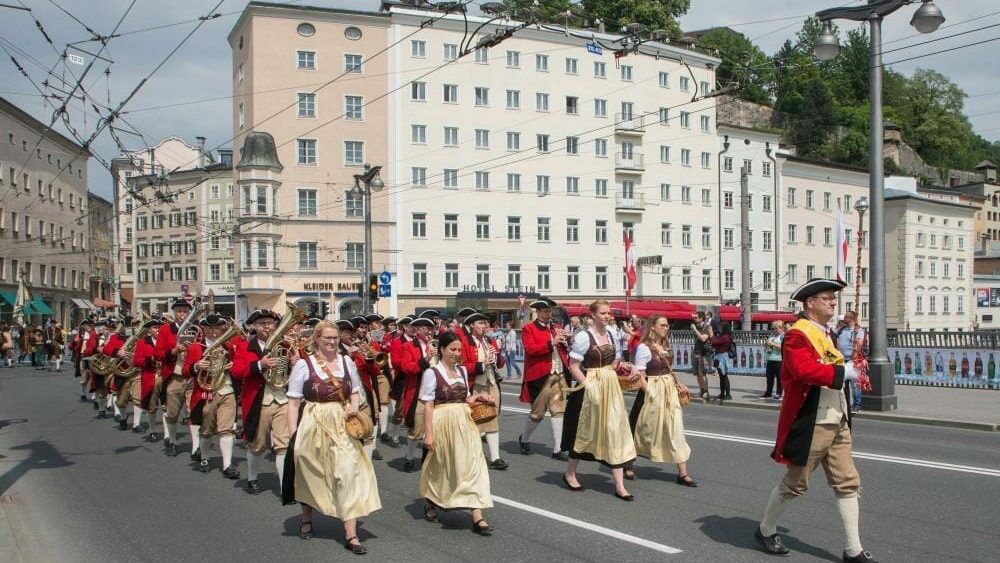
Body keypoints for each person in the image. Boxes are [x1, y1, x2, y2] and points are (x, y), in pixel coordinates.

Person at [755, 278, 875, 563]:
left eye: (833, 298)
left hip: (837, 417)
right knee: (795, 483)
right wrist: (841, 373)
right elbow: (802, 370)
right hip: (814, 419)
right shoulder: (798, 334)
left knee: (847, 482)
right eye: (826, 298)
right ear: (810, 303)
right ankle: (766, 529)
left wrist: (849, 367)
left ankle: (853, 549)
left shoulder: (827, 333)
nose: (833, 302)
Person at [284, 321, 381, 554]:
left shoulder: (347, 361)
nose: (331, 341)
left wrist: (354, 407)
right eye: (327, 337)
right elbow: (293, 401)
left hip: (342, 421)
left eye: (335, 337)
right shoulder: (304, 365)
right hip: (314, 420)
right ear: (316, 339)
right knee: (311, 471)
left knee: (348, 472)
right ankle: (307, 517)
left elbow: (355, 391)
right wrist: (293, 435)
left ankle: (351, 533)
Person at [419, 330, 494, 536]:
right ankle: (432, 501)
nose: (456, 353)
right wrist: (429, 434)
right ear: (442, 349)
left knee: (473, 464)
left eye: (459, 349)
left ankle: (478, 516)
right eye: (452, 349)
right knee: (442, 466)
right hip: (442, 422)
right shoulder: (431, 373)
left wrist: (480, 397)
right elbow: (428, 406)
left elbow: (465, 398)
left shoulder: (461, 371)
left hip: (464, 422)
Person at [561, 300, 637, 500]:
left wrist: (627, 367)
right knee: (584, 430)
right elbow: (573, 366)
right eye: (603, 313)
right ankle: (570, 472)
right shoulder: (584, 337)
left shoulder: (612, 334)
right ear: (593, 315)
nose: (607, 316)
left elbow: (615, 363)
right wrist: (588, 385)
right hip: (591, 387)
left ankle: (619, 485)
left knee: (614, 430)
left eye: (608, 313)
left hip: (610, 387)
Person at [625, 315, 696, 486]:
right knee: (640, 428)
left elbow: (668, 370)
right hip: (651, 390)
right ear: (652, 327)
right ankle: (627, 464)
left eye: (667, 325)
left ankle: (683, 473)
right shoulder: (643, 348)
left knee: (675, 429)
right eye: (663, 325)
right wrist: (651, 393)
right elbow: (640, 376)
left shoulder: (665, 345)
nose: (666, 327)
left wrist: (679, 383)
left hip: (669, 390)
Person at [231, 309, 292, 495]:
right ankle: (252, 477)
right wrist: (259, 365)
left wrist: (295, 362)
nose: (268, 327)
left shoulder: (285, 344)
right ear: (255, 327)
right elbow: (236, 371)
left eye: (271, 323)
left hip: (282, 398)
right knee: (257, 445)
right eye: (263, 324)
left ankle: (285, 485)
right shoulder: (244, 347)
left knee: (284, 444)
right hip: (260, 400)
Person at [183, 314, 241, 478]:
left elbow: (236, 366)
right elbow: (185, 371)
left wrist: (231, 365)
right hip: (206, 392)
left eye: (217, 328)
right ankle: (205, 458)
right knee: (207, 430)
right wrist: (196, 366)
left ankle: (227, 465)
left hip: (226, 390)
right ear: (204, 329)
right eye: (209, 328)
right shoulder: (195, 347)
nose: (214, 331)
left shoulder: (227, 346)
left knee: (226, 429)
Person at [517, 298, 569, 461]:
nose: (548, 314)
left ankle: (557, 448)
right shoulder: (528, 328)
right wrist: (551, 343)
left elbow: (563, 350)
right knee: (537, 414)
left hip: (559, 374)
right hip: (540, 375)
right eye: (545, 311)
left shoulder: (556, 327)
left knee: (558, 410)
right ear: (537, 312)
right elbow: (530, 350)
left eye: (549, 311)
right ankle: (524, 438)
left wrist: (567, 341)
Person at [154, 299, 195, 457]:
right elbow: (157, 354)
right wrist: (173, 350)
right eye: (179, 311)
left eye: (185, 311)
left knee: (194, 412)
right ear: (174, 313)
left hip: (192, 375)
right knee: (172, 413)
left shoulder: (195, 329)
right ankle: (172, 441)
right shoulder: (165, 330)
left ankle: (196, 448)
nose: (182, 314)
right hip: (175, 375)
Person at [398, 317, 435, 472]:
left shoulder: (436, 345)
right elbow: (407, 368)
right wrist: (426, 359)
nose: (429, 331)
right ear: (417, 330)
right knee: (416, 429)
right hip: (419, 393)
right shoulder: (408, 346)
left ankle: (428, 460)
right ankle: (409, 457)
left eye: (431, 328)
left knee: (433, 428)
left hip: (435, 393)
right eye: (426, 328)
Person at [130, 317, 164, 440]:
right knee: (152, 407)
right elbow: (136, 361)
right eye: (155, 327)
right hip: (150, 377)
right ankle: (153, 431)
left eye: (160, 327)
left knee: (166, 407)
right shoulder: (142, 342)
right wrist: (150, 360)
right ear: (149, 330)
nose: (158, 330)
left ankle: (167, 436)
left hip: (165, 377)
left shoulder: (166, 341)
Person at [836, 311, 866, 414]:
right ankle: (845, 404)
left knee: (855, 385)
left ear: (851, 319)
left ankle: (857, 405)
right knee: (843, 384)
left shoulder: (858, 331)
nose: (844, 319)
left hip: (853, 361)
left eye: (846, 317)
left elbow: (858, 345)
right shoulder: (841, 330)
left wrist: (854, 357)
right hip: (841, 360)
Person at [690, 311, 714, 400]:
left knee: (702, 373)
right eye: (694, 317)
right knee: (697, 374)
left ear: (701, 318)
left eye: (696, 317)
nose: (694, 319)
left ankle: (706, 392)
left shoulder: (707, 327)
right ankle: (701, 391)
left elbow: (703, 339)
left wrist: (695, 330)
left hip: (703, 353)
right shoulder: (697, 326)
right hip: (696, 351)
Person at [712, 323, 734, 402]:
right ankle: (722, 394)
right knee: (721, 377)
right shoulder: (724, 336)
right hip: (720, 356)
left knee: (724, 376)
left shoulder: (725, 337)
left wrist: (712, 334)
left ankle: (727, 394)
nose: (719, 328)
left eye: (720, 327)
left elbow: (714, 342)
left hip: (722, 357)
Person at [763, 321, 785, 399]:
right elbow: (767, 346)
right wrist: (766, 344)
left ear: (781, 328)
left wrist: (772, 344)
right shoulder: (772, 335)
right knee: (769, 377)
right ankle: (768, 392)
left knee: (779, 378)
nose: (774, 330)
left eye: (776, 328)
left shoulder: (783, 336)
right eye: (773, 328)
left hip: (779, 359)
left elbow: (783, 347)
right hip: (770, 358)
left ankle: (778, 393)